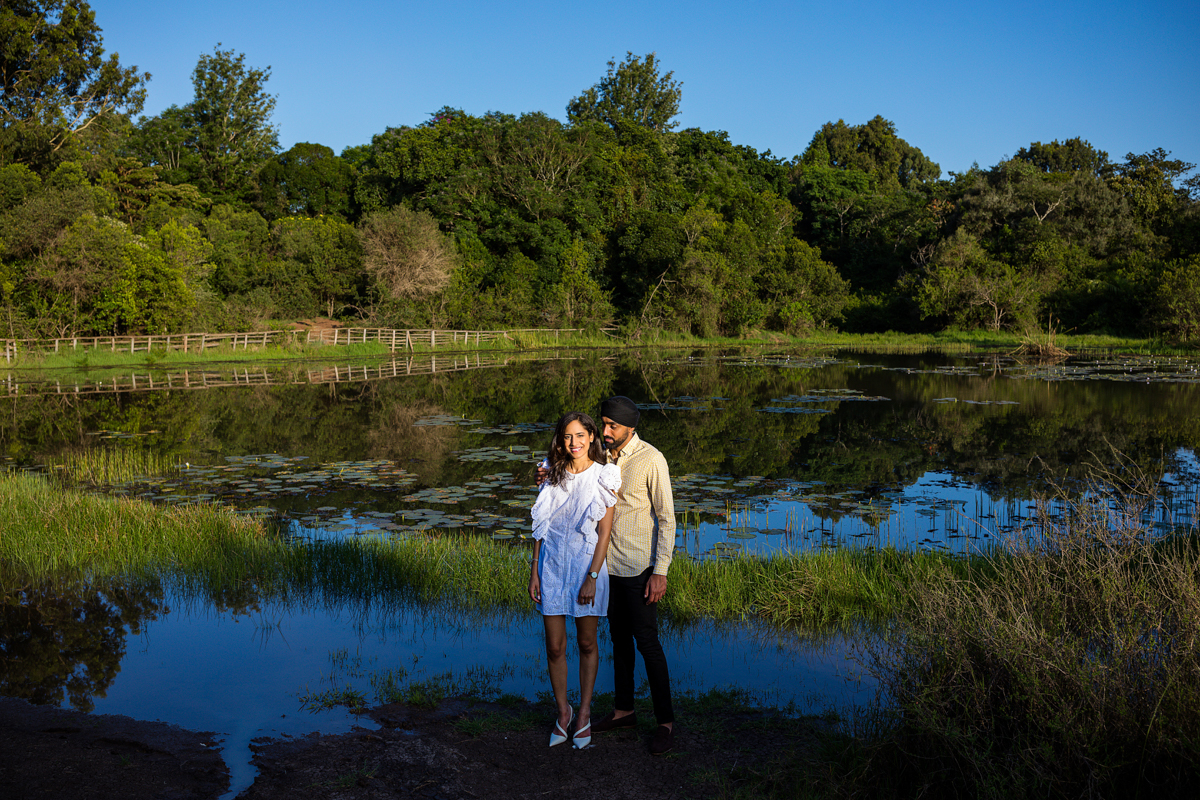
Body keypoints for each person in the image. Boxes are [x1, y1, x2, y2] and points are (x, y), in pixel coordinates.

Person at [588, 395, 677, 755]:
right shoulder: (599, 456)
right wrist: (543, 471)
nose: (605, 431)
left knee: (648, 645)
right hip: (606, 569)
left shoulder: (651, 460)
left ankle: (665, 723)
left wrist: (661, 571)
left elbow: (667, 519)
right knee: (619, 643)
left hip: (639, 569)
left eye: (613, 427)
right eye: (604, 424)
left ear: (630, 427)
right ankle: (623, 711)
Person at [528, 411, 620, 749]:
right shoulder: (550, 474)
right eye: (568, 436)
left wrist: (592, 577)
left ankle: (583, 713)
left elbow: (604, 533)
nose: (574, 443)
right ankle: (562, 712)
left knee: (586, 643)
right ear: (560, 440)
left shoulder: (605, 476)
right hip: (551, 566)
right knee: (554, 646)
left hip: (586, 568)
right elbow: (540, 524)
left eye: (580, 435)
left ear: (592, 437)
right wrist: (534, 569)